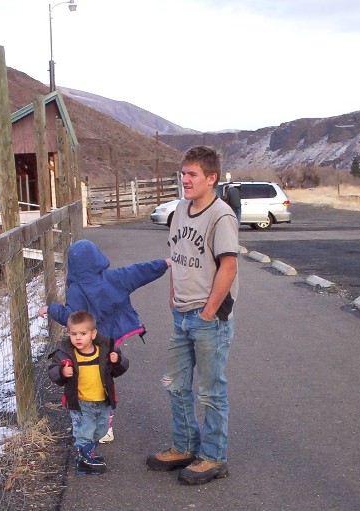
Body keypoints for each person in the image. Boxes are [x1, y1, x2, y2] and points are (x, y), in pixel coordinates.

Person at [146, 145, 239, 485]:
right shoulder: (180, 211)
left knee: (211, 390)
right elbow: (177, 255)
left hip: (207, 318)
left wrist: (209, 311)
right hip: (181, 314)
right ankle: (185, 446)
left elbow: (228, 266)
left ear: (211, 178)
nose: (184, 180)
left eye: (192, 174)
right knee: (176, 385)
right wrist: (173, 294)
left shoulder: (221, 215)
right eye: (183, 173)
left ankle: (214, 457)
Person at [40, 239, 171, 443]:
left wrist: (51, 308)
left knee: (89, 379)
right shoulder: (114, 278)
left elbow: (69, 316)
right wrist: (164, 263)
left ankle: (90, 421)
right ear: (97, 258)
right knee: (105, 378)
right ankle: (105, 424)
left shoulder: (76, 289)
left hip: (88, 344)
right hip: (109, 340)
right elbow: (138, 272)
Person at [48, 310, 129, 475]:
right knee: (85, 430)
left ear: (93, 334)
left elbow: (120, 369)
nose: (78, 338)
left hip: (102, 400)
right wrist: (62, 372)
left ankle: (88, 453)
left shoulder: (105, 351)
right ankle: (83, 459)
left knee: (101, 428)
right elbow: (53, 371)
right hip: (80, 402)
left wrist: (118, 361)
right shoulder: (65, 355)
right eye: (73, 334)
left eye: (83, 334)